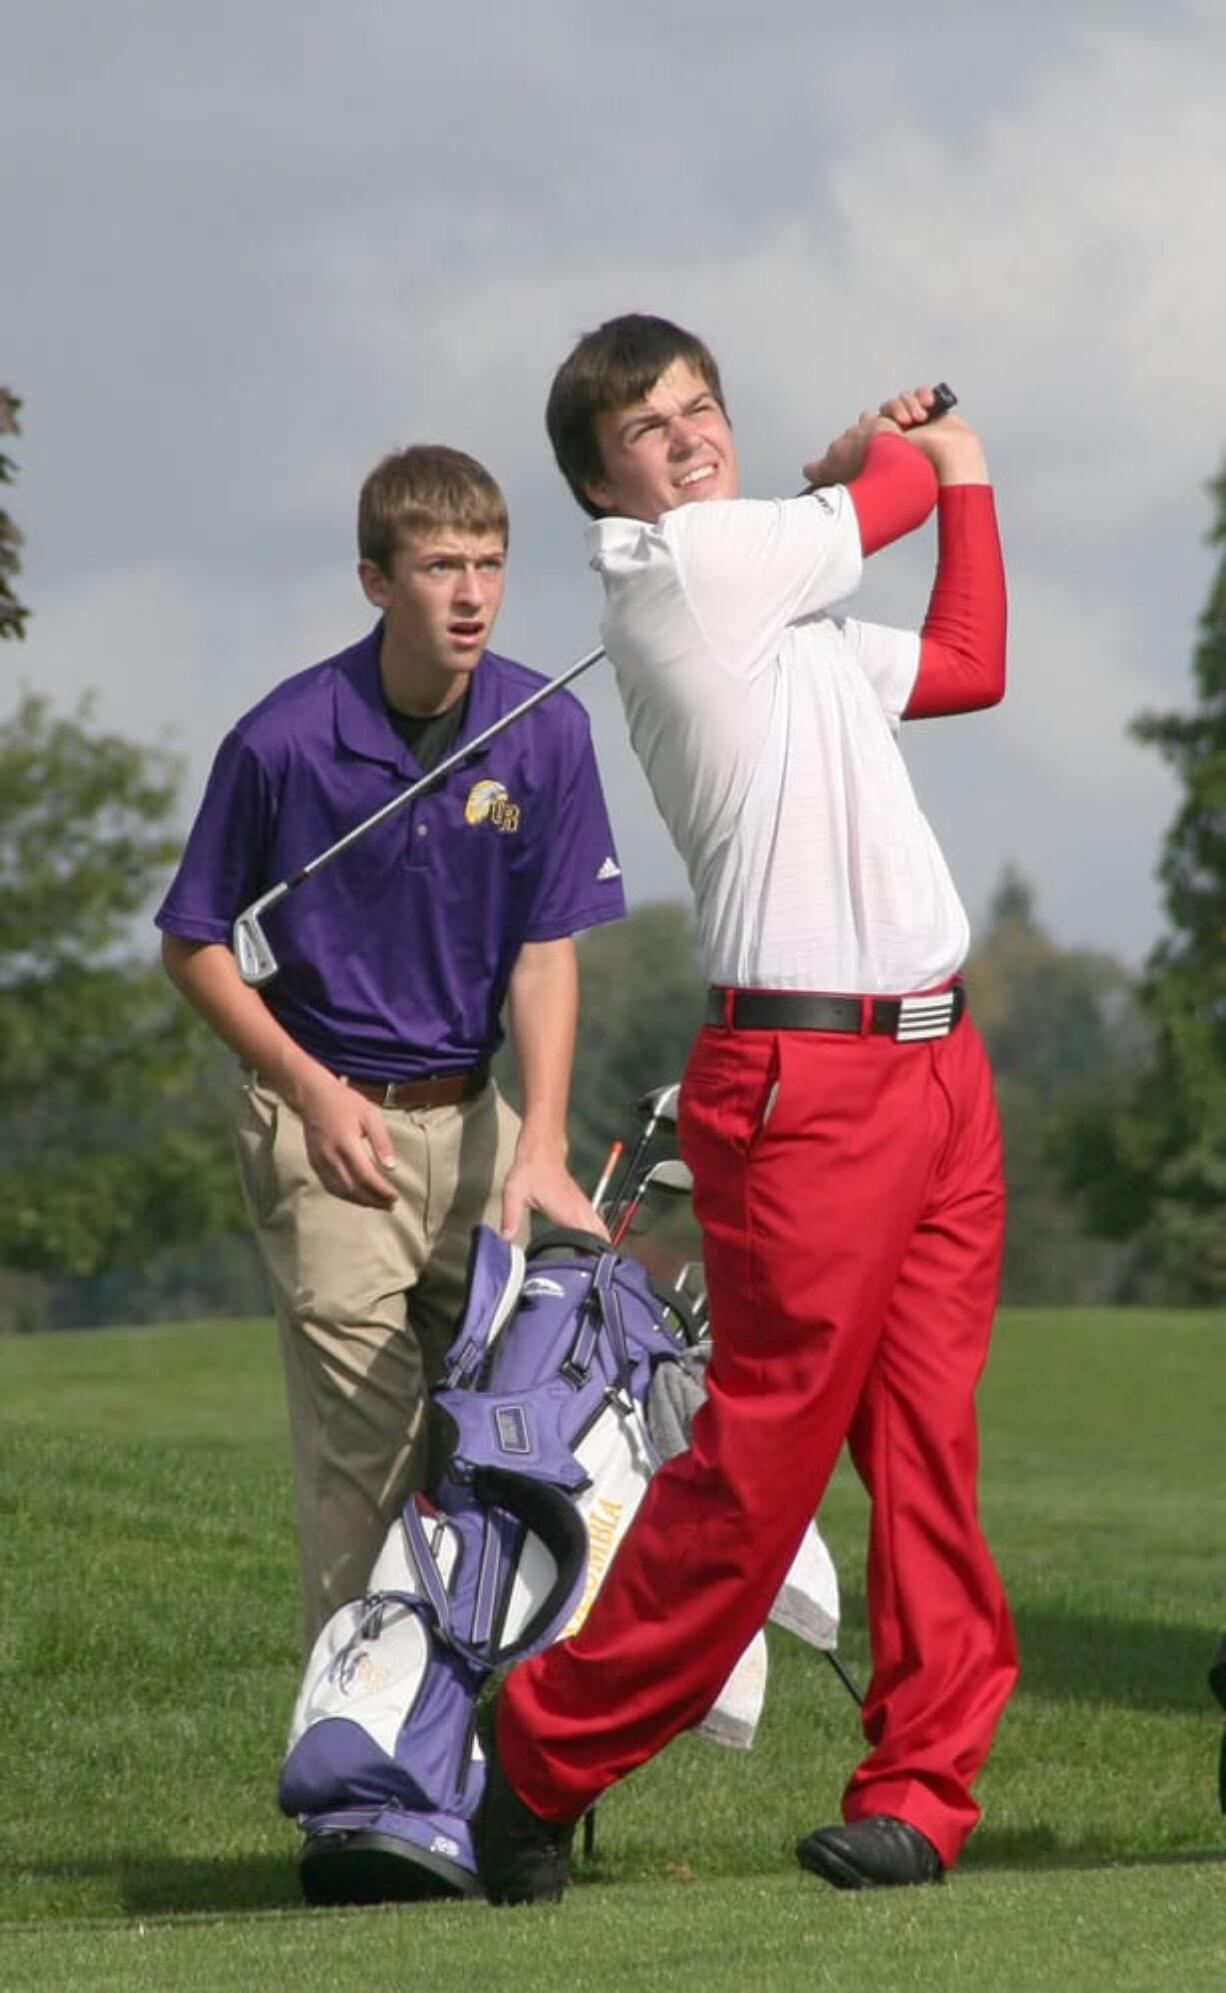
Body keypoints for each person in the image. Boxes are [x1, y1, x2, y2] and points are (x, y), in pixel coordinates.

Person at [474, 316, 1019, 1902]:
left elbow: (972, 664)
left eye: (703, 406)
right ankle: (539, 1753)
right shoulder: (684, 578)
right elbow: (887, 503)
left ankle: (919, 1792)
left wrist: (945, 469)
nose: (689, 434)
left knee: (925, 1448)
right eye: (650, 427)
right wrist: (888, 461)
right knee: (761, 1465)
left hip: (936, 1064)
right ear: (604, 485)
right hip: (803, 1085)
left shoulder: (779, 607)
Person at [157, 443, 626, 1648]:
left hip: (479, 1125)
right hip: (327, 1131)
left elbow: (542, 950)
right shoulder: (282, 740)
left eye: (489, 564)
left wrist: (543, 1145)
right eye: (437, 567)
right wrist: (309, 1091)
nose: (469, 593)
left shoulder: (547, 728)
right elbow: (194, 942)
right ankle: (364, 1784)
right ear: (376, 581)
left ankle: (493, 1772)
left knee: (511, 1437)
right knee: (368, 1460)